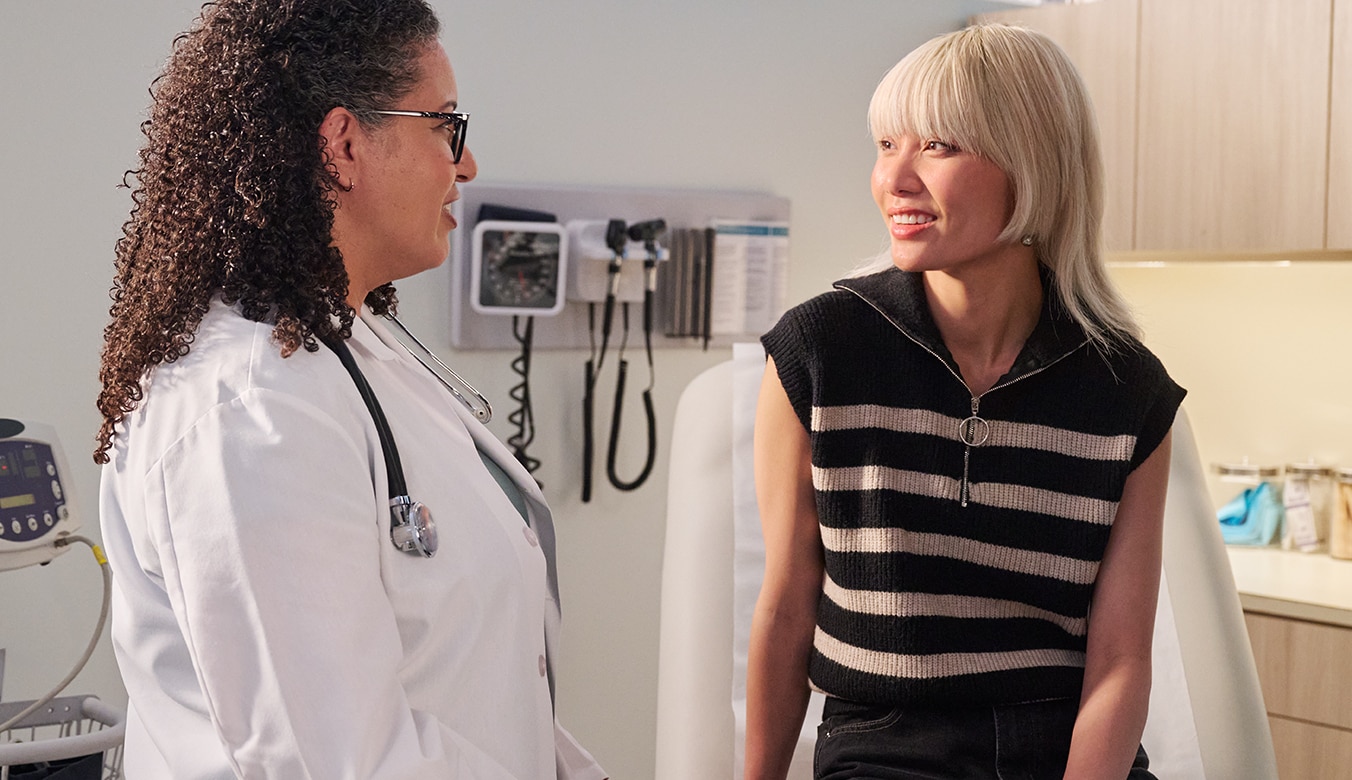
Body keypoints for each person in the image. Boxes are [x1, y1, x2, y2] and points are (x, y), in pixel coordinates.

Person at [93, 1, 605, 777]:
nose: (464, 165)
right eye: (446, 128)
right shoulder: (250, 412)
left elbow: (472, 693)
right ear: (343, 145)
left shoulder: (348, 345)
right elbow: (333, 761)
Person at [745, 24, 1183, 780]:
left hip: (1063, 745)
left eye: (938, 147)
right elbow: (786, 612)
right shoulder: (818, 353)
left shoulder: (1127, 391)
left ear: (1032, 163)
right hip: (884, 745)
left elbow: (1120, 659)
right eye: (887, 145)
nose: (895, 179)